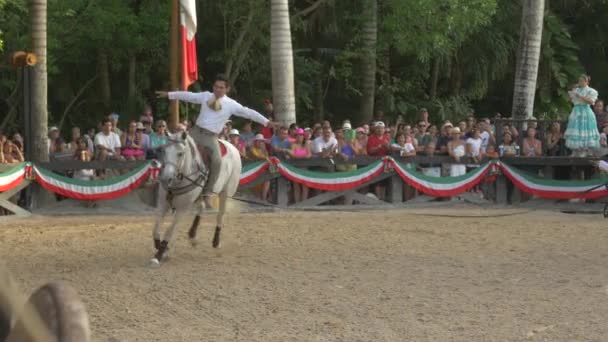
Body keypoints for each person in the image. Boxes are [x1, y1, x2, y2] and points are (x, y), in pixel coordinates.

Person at [156, 74, 279, 208]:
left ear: (227, 89)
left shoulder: (231, 104)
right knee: (175, 150)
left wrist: (267, 122)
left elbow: (248, 112)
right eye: (216, 86)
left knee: (217, 161)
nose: (218, 89)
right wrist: (169, 95)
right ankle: (168, 185)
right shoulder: (205, 96)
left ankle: (207, 194)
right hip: (195, 132)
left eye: (221, 87)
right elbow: (188, 95)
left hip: (211, 137)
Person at [564, 74, 600, 157]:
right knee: (576, 130)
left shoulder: (591, 91)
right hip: (576, 111)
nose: (580, 82)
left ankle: (584, 150)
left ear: (586, 81)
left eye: (581, 81)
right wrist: (573, 90)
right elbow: (569, 97)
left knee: (584, 129)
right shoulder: (577, 89)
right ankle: (576, 150)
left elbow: (591, 102)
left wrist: (580, 96)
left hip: (585, 110)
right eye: (579, 81)